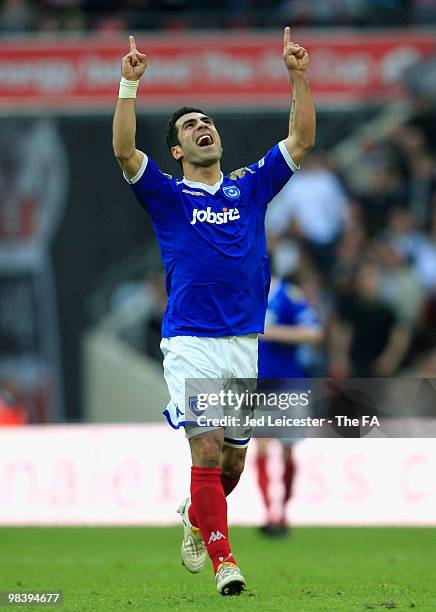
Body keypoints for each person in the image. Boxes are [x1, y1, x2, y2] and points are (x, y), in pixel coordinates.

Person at [112, 28, 315, 596]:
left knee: (229, 469)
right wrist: (129, 84)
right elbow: (125, 151)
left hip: (242, 343)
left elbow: (300, 138)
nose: (203, 126)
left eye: (206, 121)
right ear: (177, 151)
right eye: (188, 126)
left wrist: (298, 75)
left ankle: (195, 514)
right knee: (204, 446)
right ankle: (227, 563)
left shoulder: (250, 187)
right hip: (191, 341)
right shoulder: (168, 195)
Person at [256, 275, 323, 537]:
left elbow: (315, 332)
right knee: (258, 448)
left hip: (287, 384)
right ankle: (269, 512)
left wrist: (274, 332)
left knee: (286, 451)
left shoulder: (289, 295)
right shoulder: (243, 292)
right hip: (253, 384)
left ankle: (283, 511)